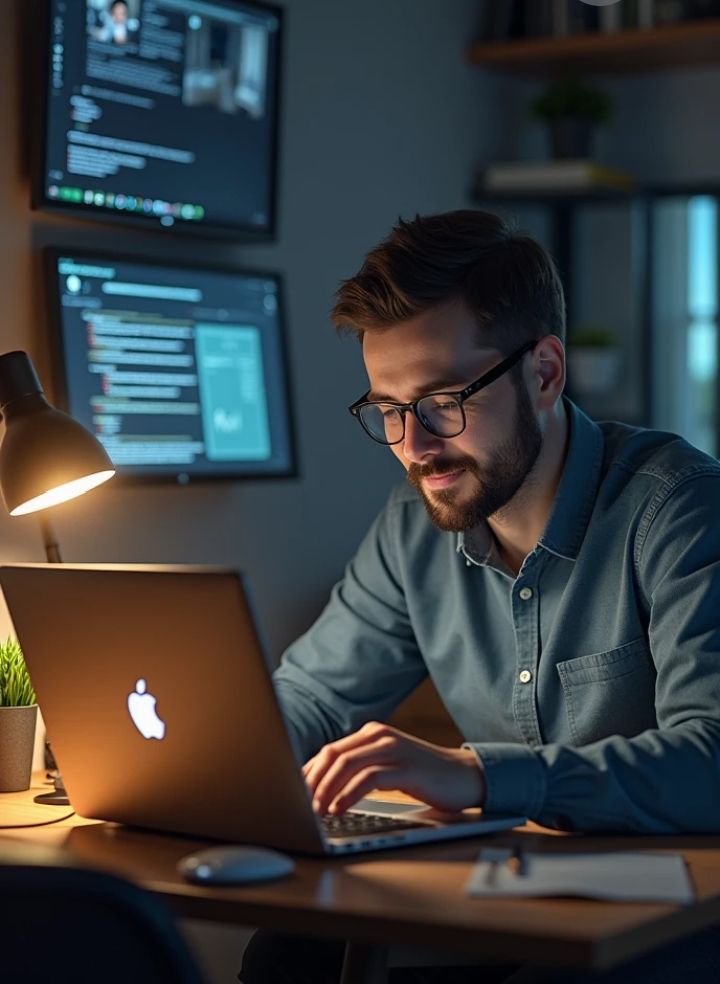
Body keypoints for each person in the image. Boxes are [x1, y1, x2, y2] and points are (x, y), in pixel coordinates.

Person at [240, 210, 720, 984]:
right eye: (388, 411)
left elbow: (714, 757)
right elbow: (315, 697)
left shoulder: (679, 507)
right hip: (508, 893)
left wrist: (478, 775)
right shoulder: (412, 526)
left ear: (545, 373)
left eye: (441, 401)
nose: (415, 446)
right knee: (289, 953)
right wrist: (201, 761)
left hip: (668, 919)